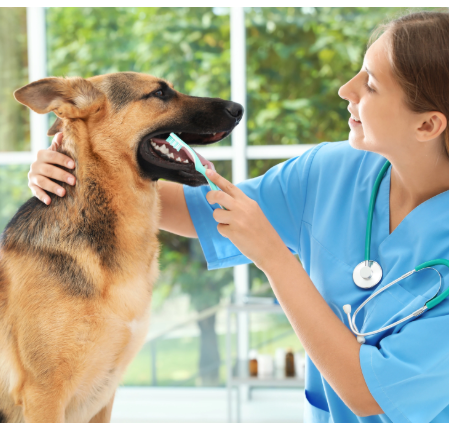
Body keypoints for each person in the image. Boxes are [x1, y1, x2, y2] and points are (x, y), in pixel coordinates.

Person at [27, 11, 449, 423]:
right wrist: (78, 169)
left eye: (371, 84)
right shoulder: (332, 171)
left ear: (428, 125)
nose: (345, 89)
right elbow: (197, 211)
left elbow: (367, 393)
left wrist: (275, 259)